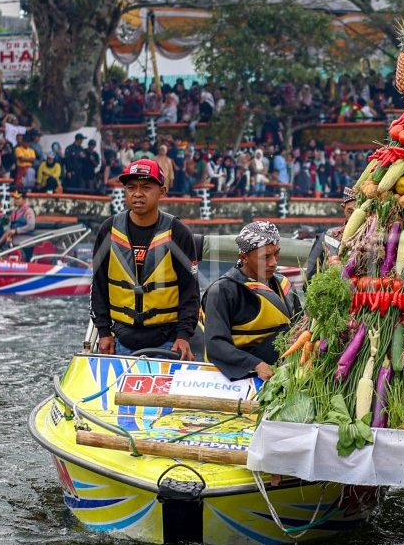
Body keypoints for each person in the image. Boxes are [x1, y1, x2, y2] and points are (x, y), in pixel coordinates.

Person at [90, 158, 199, 359]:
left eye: (146, 187)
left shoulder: (178, 233)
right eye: (131, 187)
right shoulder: (109, 230)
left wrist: (184, 336)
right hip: (120, 339)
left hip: (167, 340)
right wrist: (104, 332)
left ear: (162, 192)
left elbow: (190, 291)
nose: (137, 193)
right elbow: (98, 286)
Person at [194, 221, 303, 381]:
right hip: (246, 375)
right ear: (243, 257)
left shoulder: (283, 283)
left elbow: (299, 326)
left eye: (276, 254)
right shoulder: (222, 291)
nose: (274, 262)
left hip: (286, 370)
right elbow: (216, 344)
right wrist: (256, 364)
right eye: (265, 257)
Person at [303, 187, 355, 281]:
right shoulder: (327, 237)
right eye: (350, 211)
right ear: (343, 208)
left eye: (357, 213)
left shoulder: (374, 239)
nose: (353, 217)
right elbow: (309, 277)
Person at [3, 191, 37, 259]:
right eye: (15, 198)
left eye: (18, 198)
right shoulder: (14, 211)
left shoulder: (28, 211)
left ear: (24, 199)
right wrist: (9, 235)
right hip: (14, 243)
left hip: (26, 242)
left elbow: (31, 226)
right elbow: (10, 225)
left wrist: (16, 231)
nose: (16, 200)